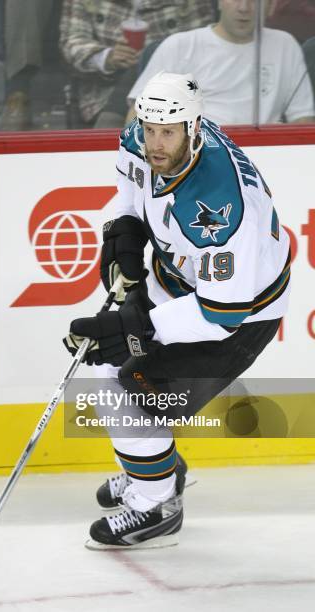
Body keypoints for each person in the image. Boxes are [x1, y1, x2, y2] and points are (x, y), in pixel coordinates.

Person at [63, 71, 290, 549]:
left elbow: (221, 312)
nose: (155, 143)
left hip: (239, 316)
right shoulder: (141, 137)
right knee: (111, 371)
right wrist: (124, 231)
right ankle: (154, 470)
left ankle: (156, 506)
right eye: (149, 130)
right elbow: (131, 182)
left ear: (193, 126)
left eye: (168, 132)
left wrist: (131, 327)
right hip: (179, 280)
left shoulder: (221, 207)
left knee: (134, 391)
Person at [126, 0, 315, 125]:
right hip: (193, 158)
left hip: (264, 157)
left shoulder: (285, 45)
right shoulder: (179, 46)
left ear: (271, 6)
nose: (243, 7)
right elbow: (138, 118)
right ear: (218, 2)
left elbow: (302, 118)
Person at [59, 0, 214, 127]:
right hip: (103, 94)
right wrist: (107, 57)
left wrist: (155, 56)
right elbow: (72, 41)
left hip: (172, 92)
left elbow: (203, 45)